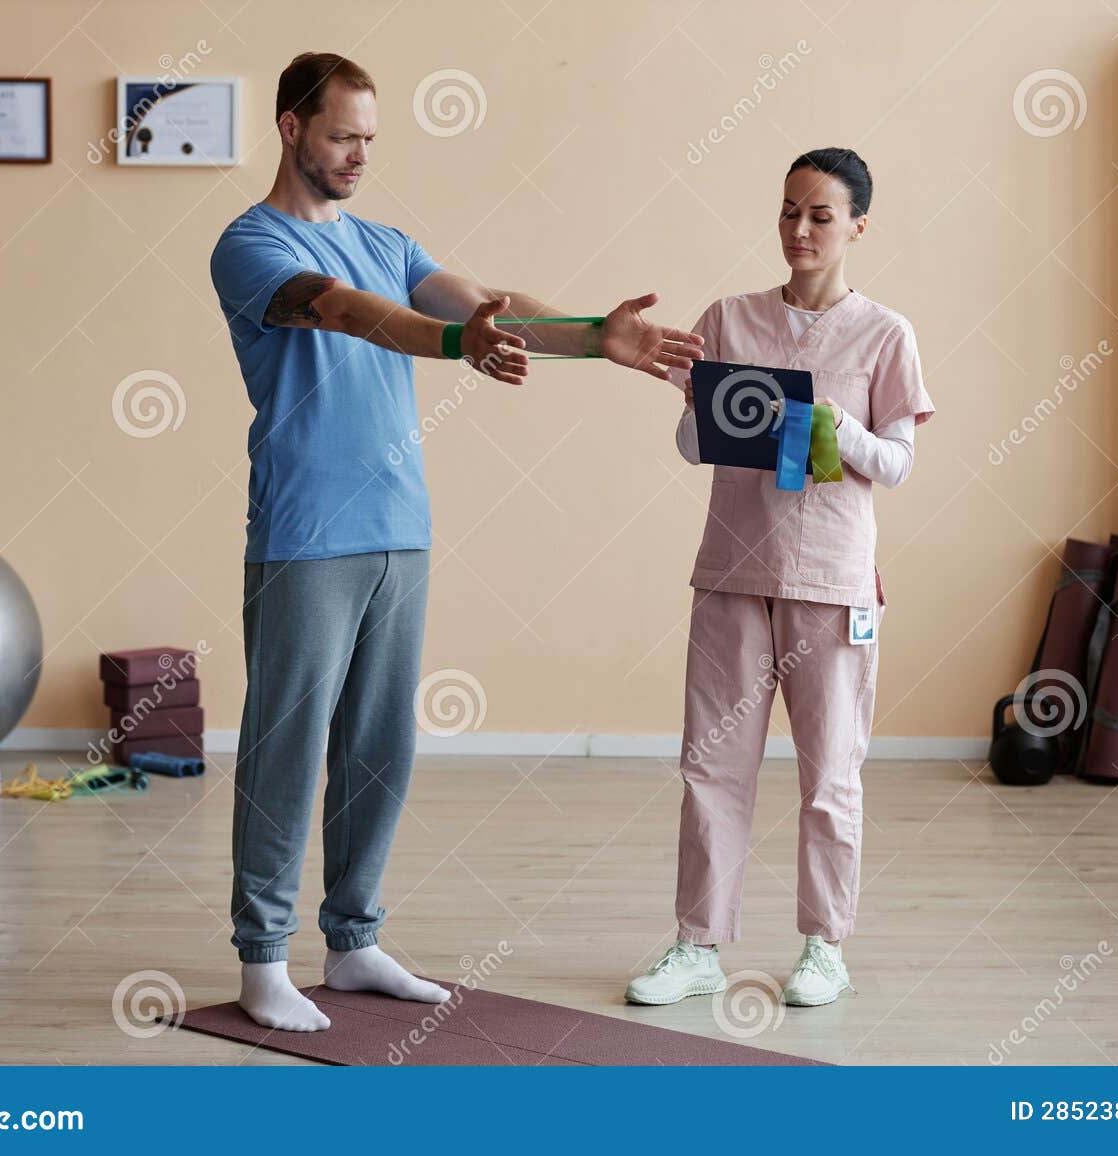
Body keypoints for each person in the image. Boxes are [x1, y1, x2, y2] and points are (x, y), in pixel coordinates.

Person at [210, 52, 703, 1032]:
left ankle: (351, 942)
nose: (357, 155)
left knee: (379, 746)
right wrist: (456, 347)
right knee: (286, 744)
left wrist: (591, 334)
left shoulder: (388, 239)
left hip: (400, 526)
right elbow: (352, 314)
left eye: (369, 139)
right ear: (291, 129)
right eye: (342, 134)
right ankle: (264, 957)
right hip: (306, 535)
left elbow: (482, 304)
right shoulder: (249, 244)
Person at [626, 147, 934, 1009]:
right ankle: (697, 945)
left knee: (830, 773)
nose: (800, 229)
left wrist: (837, 424)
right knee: (711, 765)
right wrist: (702, 408)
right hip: (732, 570)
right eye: (789, 211)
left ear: (857, 228)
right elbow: (693, 449)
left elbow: (899, 463)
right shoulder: (728, 318)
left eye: (821, 216)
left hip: (832, 581)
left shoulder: (886, 335)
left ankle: (823, 947)